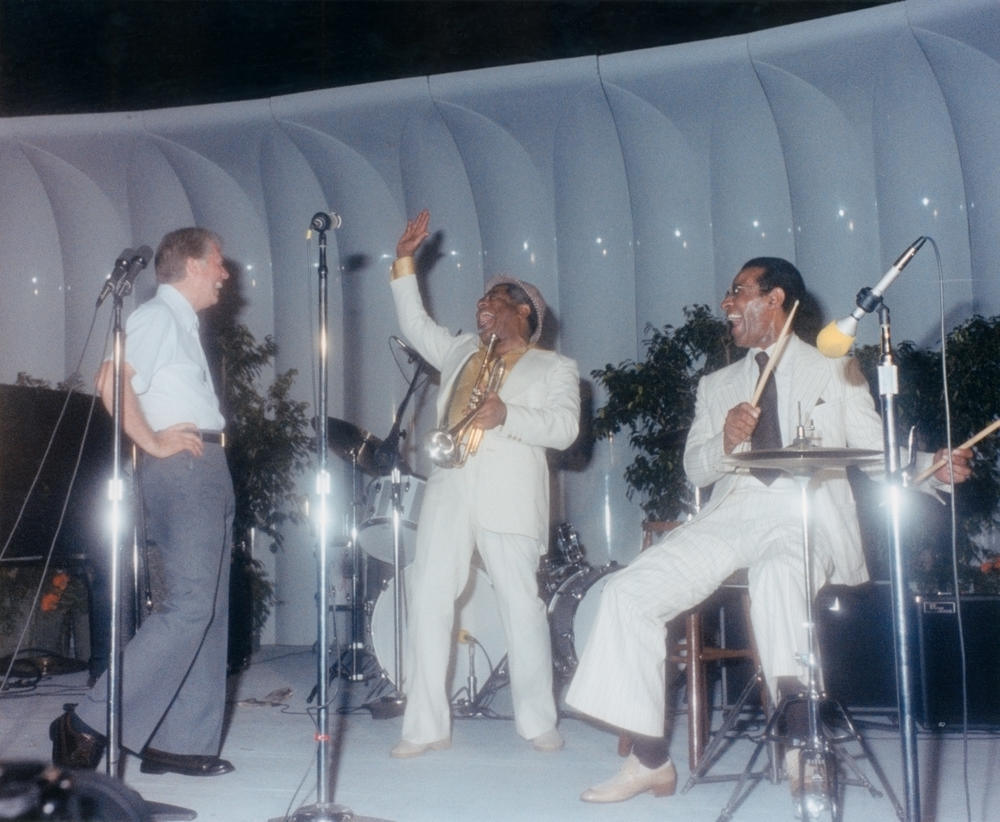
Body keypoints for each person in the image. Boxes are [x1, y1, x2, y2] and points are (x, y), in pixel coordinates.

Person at [565, 257, 972, 803]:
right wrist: (726, 439)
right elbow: (696, 470)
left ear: (775, 299)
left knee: (778, 578)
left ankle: (804, 750)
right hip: (733, 513)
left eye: (737, 292)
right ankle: (649, 761)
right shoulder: (717, 384)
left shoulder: (836, 365)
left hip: (803, 512)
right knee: (626, 592)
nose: (726, 304)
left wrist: (928, 466)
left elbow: (874, 449)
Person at [387, 209, 580, 757]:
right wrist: (404, 261)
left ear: (523, 310)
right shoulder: (459, 351)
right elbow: (415, 324)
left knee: (521, 604)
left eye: (494, 299)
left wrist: (508, 417)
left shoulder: (555, 368)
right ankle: (424, 726)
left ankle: (537, 721)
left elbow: (565, 429)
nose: (482, 306)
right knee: (427, 596)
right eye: (481, 301)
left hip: (510, 496)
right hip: (450, 486)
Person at [50, 228, 236, 778]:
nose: (226, 275)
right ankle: (84, 722)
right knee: (188, 607)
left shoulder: (182, 324)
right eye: (220, 263)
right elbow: (111, 380)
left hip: (204, 465)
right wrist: (152, 442)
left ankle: (177, 742)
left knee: (209, 610)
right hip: (181, 469)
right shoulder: (158, 317)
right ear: (195, 265)